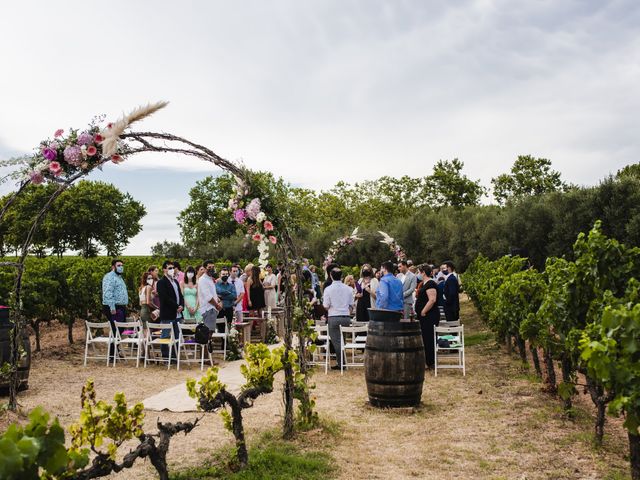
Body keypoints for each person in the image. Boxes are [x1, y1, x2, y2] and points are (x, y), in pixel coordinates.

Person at [322, 269, 354, 370]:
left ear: (331, 276)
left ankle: (341, 364)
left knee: (336, 342)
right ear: (341, 276)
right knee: (342, 341)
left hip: (334, 317)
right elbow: (351, 305)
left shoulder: (328, 289)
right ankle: (342, 362)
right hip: (346, 317)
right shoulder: (348, 289)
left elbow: (326, 306)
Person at [156, 260, 184, 360]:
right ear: (164, 270)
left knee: (177, 336)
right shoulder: (161, 282)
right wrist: (177, 306)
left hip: (178, 314)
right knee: (165, 335)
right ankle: (165, 356)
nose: (172, 270)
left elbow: (180, 296)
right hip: (168, 314)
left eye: (173, 268)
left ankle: (174, 356)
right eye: (169, 268)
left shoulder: (175, 281)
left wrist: (181, 306)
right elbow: (165, 298)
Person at [102, 259, 128, 362]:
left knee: (119, 329)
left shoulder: (119, 278)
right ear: (113, 266)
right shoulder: (110, 277)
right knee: (115, 329)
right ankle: (112, 355)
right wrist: (112, 307)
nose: (121, 267)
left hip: (121, 306)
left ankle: (115, 352)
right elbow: (108, 293)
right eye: (119, 265)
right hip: (114, 307)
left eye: (122, 265)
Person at [415, 265, 440, 368]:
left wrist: (423, 311)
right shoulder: (424, 283)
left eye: (418, 272)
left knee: (429, 338)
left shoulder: (431, 284)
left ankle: (430, 361)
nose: (418, 274)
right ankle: (426, 360)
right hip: (424, 316)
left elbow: (432, 299)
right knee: (425, 338)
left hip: (429, 315)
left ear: (423, 272)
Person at [198, 260, 222, 332]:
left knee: (210, 332)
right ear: (205, 269)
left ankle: (207, 343)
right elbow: (208, 297)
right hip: (208, 309)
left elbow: (213, 294)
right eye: (209, 267)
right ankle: (206, 343)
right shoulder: (203, 280)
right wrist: (217, 306)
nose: (211, 269)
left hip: (212, 308)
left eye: (213, 267)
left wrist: (219, 301)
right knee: (208, 332)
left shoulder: (210, 279)